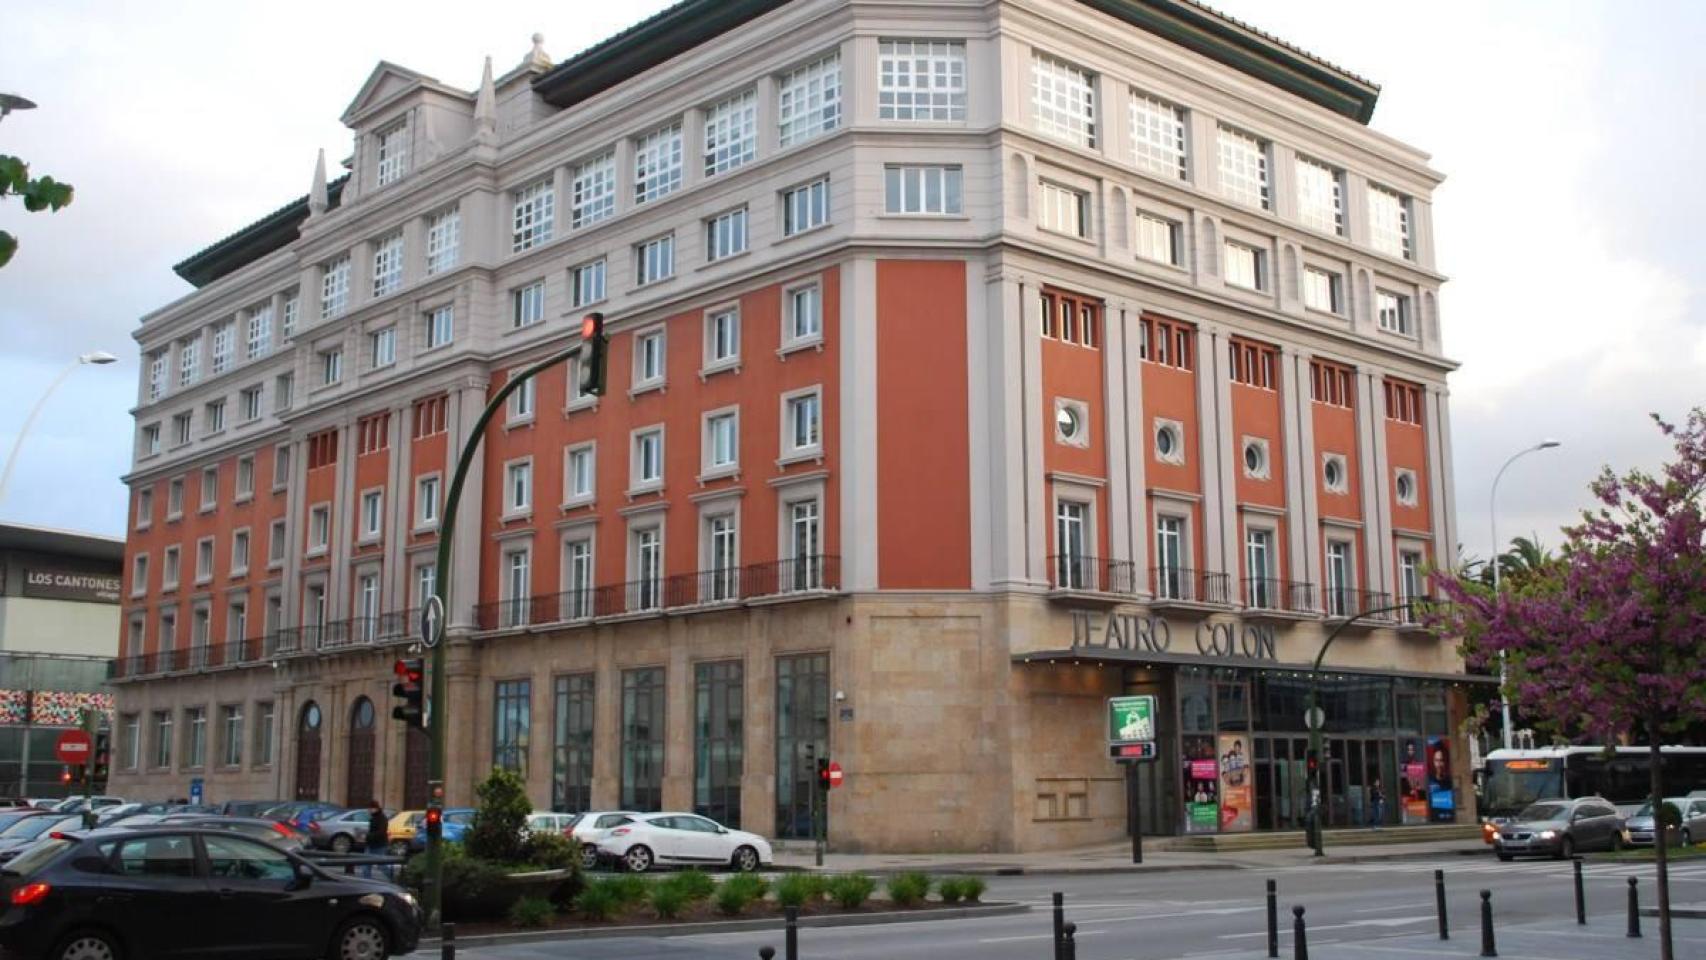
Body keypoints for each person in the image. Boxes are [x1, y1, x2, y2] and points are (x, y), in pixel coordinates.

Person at [363, 799, 389, 879]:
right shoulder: (373, 817)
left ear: (375, 808)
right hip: (370, 844)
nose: (369, 810)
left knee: (382, 866)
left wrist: (367, 836)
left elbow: (381, 832)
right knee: (365, 866)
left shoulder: (382, 818)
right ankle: (367, 883)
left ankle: (394, 879)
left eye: (370, 809)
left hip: (379, 845)